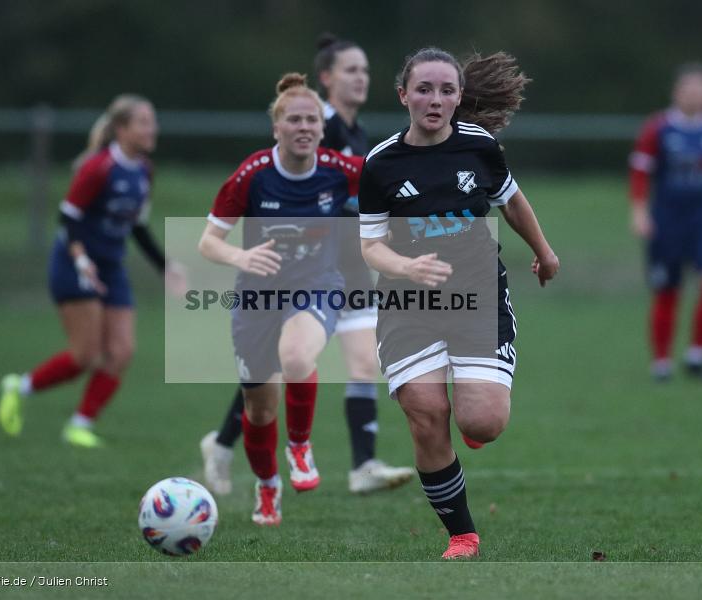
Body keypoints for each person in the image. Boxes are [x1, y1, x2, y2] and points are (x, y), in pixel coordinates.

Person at [358, 48, 559, 559]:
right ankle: (462, 534)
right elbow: (371, 244)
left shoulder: (481, 148)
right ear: (403, 95)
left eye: (447, 90)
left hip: (477, 296)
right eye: (423, 89)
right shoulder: (380, 164)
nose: (435, 99)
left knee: (482, 423)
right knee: (426, 411)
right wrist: (406, 268)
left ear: (459, 98)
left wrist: (544, 252)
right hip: (408, 303)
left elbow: (511, 201)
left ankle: (475, 411)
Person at [200, 34, 412, 496]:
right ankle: (222, 443)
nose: (361, 78)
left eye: (366, 70)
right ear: (326, 79)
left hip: (345, 269)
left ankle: (362, 466)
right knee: (273, 375)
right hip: (300, 273)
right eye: (351, 70)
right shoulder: (321, 128)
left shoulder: (353, 132)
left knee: (358, 364)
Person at [198, 73, 363, 525]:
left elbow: (393, 179)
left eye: (312, 119)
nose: (304, 127)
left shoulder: (339, 170)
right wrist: (242, 255)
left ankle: (300, 447)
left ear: (321, 127)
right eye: (294, 120)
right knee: (258, 410)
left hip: (318, 286)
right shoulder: (253, 175)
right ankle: (268, 486)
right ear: (277, 128)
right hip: (256, 301)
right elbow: (209, 242)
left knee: (295, 357)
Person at [0, 94, 186, 448]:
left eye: (153, 121)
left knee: (121, 351)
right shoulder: (98, 166)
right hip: (74, 264)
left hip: (112, 267)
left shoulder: (145, 170)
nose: (152, 129)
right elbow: (68, 220)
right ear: (121, 128)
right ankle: (18, 386)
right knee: (86, 355)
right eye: (144, 122)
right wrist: (83, 262)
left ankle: (80, 424)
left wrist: (166, 267)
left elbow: (137, 226)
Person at [629, 63, 702, 381]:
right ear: (676, 92)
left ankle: (697, 354)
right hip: (667, 223)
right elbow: (640, 172)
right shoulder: (659, 128)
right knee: (667, 291)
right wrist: (639, 211)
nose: (694, 95)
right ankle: (662, 363)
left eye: (700, 89)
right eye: (688, 89)